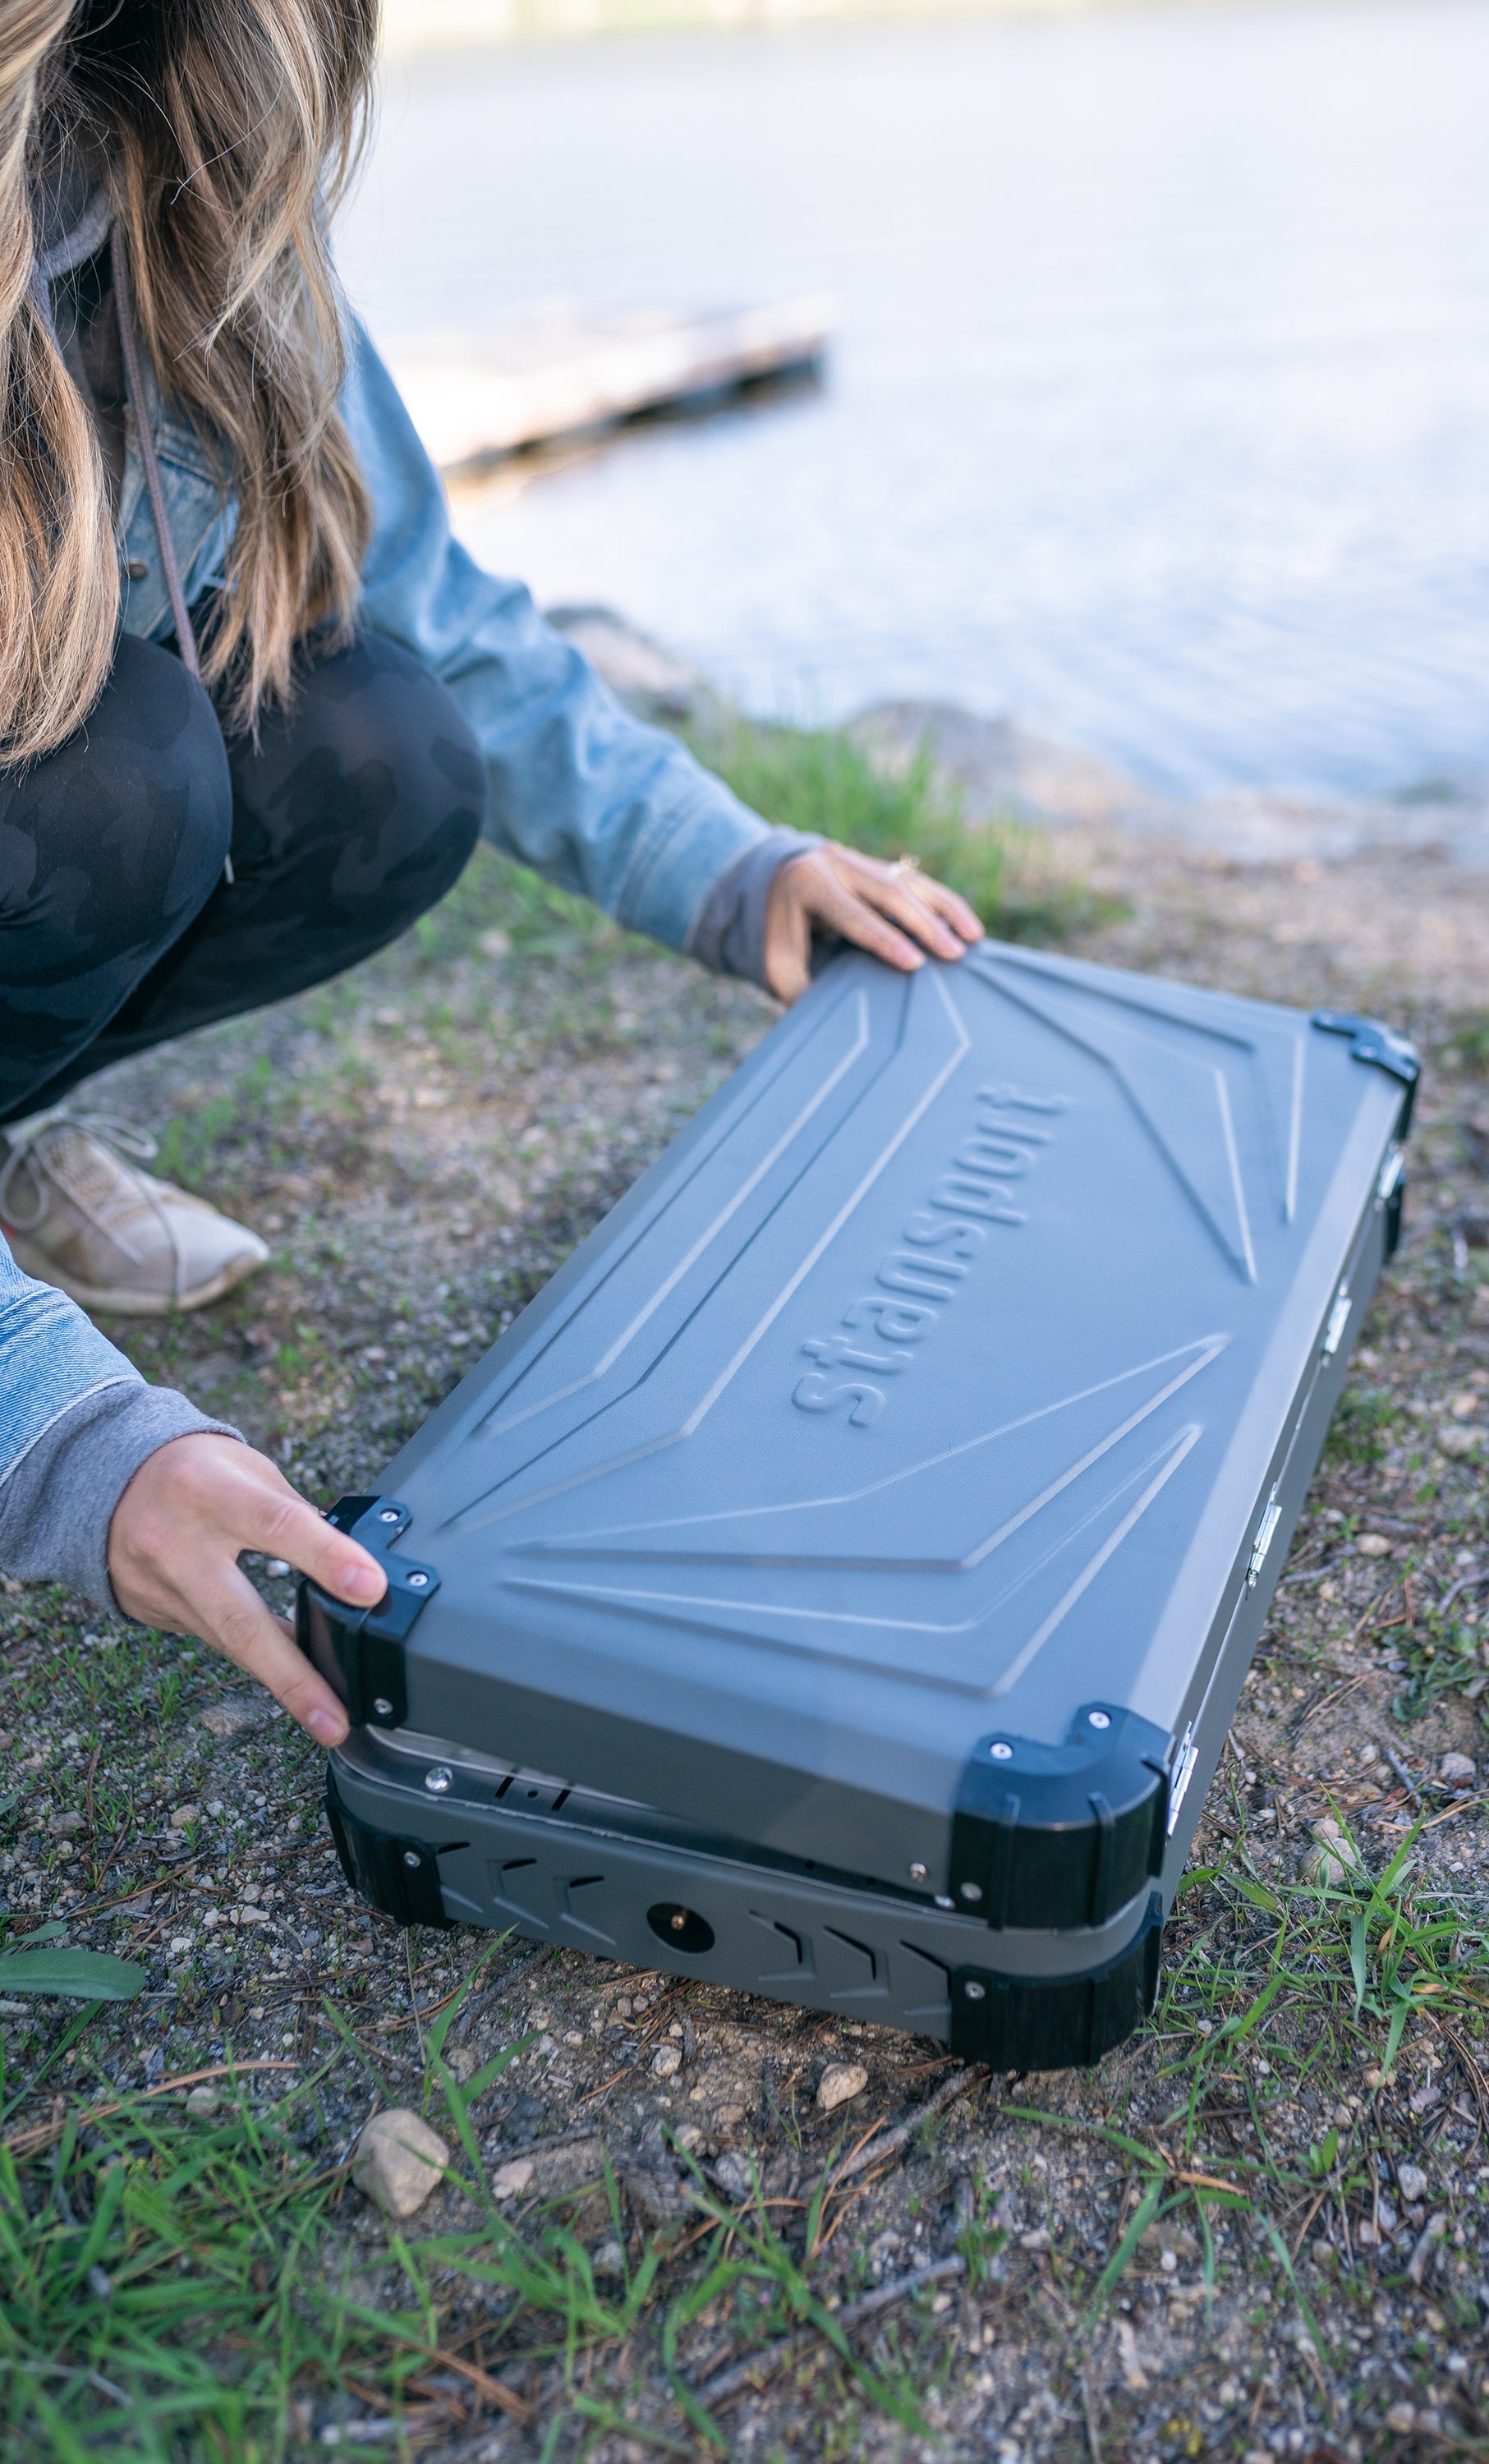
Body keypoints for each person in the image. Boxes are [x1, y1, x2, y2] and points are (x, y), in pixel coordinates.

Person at [0, 0, 981, 1748]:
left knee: (380, 743)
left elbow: (444, 615)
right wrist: (62, 1435)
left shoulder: (195, 146)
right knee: (115, 772)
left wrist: (727, 863)